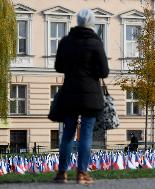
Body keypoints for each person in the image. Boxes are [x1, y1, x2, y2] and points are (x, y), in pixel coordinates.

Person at [53, 8, 109, 184]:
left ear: (77, 21)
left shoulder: (66, 42)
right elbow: (104, 71)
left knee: (68, 133)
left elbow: (59, 67)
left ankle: (62, 173)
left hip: (69, 93)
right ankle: (82, 173)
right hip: (90, 95)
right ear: (92, 22)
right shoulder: (96, 42)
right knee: (86, 134)